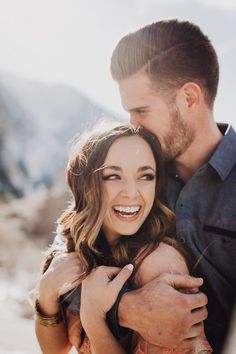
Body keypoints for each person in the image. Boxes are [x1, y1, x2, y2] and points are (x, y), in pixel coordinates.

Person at [109, 19, 236, 354]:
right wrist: (124, 309)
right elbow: (70, 273)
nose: (132, 127)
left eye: (141, 111)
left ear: (189, 97)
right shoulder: (131, 181)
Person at [35, 123, 212, 354]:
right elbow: (55, 350)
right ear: (85, 184)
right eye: (113, 176)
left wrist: (94, 318)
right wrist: (46, 292)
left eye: (145, 176)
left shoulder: (159, 265)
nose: (131, 192)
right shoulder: (77, 250)